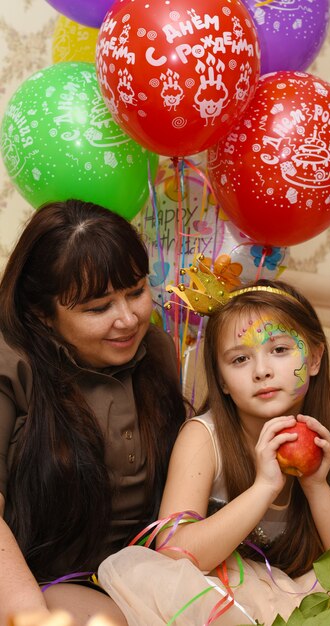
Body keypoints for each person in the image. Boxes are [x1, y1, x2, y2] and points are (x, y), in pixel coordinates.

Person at [97, 274, 330, 625]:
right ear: (221, 381)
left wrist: (317, 486)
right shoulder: (204, 438)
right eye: (239, 360)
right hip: (226, 594)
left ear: (314, 359)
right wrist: (264, 486)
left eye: (280, 350)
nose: (262, 371)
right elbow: (175, 553)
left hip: (305, 593)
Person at [0, 200, 186, 625]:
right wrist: (29, 614)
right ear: (42, 315)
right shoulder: (10, 365)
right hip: (36, 580)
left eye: (136, 291)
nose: (128, 319)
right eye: (97, 308)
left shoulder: (156, 350)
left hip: (140, 573)